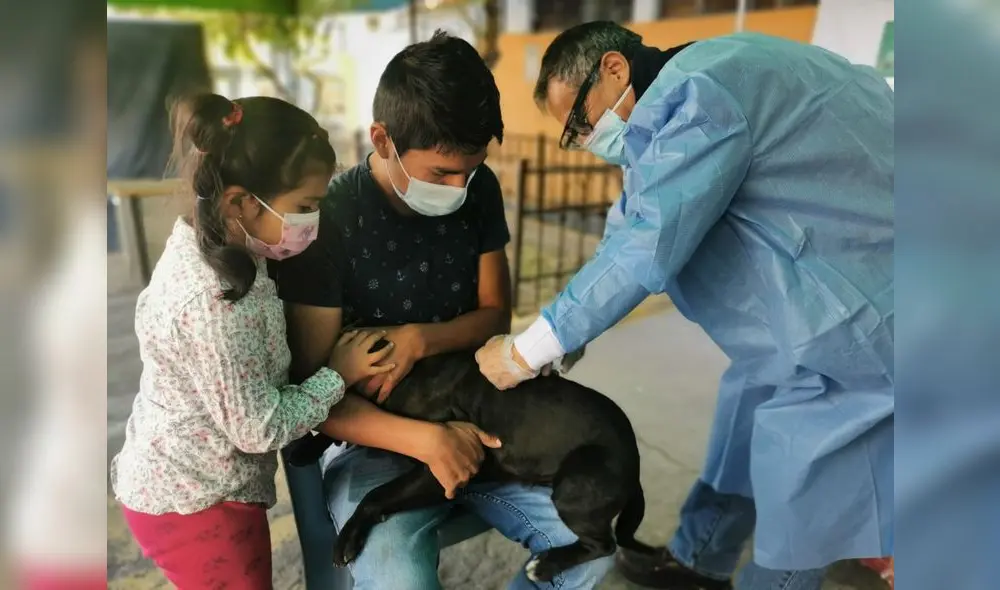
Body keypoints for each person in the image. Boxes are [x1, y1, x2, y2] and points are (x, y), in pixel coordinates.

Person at [474, 22, 894, 590]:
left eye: (581, 122)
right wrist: (569, 334)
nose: (586, 139)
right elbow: (627, 227)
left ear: (614, 69)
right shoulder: (675, 100)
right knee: (746, 415)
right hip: (811, 304)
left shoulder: (704, 93)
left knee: (808, 488)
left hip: (864, 315)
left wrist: (526, 351)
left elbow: (650, 239)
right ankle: (701, 558)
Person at [269, 31, 613, 590]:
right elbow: (311, 397)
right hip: (378, 440)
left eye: (471, 170)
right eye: (440, 174)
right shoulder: (329, 219)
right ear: (382, 139)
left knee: (591, 553)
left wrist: (418, 340)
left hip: (490, 424)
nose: (459, 188)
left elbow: (493, 316)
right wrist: (427, 441)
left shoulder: (478, 192)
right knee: (395, 575)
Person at [109, 93, 491, 588]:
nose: (314, 220)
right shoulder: (215, 302)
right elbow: (260, 429)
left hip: (196, 483)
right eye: (305, 206)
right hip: (196, 500)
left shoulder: (222, 242)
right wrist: (339, 374)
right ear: (241, 202)